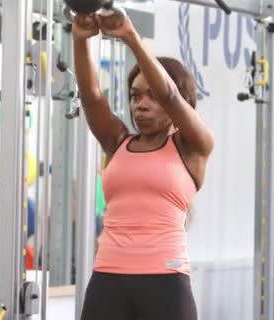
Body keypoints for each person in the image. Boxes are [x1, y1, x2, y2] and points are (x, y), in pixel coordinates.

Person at [71, 12, 214, 320]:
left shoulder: (193, 147)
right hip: (108, 279)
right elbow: (91, 95)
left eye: (152, 96)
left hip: (166, 283)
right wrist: (80, 41)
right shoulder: (117, 142)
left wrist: (131, 37)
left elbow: (172, 96)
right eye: (135, 96)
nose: (141, 105)